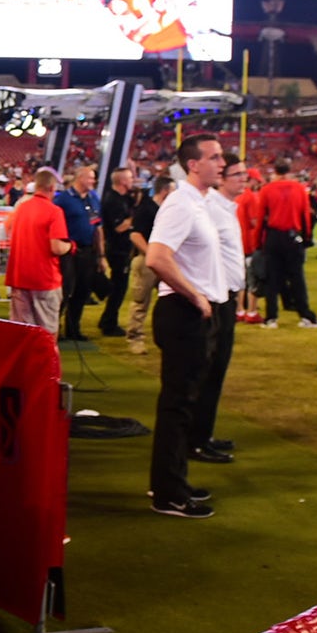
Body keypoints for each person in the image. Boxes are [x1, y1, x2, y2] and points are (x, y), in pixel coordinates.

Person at [145, 133, 227, 518]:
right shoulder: (181, 203)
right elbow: (157, 257)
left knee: (184, 404)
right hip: (184, 313)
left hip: (192, 312)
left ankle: (171, 481)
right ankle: (169, 494)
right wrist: (195, 296)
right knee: (178, 406)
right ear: (194, 164)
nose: (222, 163)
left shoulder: (199, 202)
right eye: (215, 157)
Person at [187, 153, 248, 464]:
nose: (243, 179)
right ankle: (195, 440)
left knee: (216, 370)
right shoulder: (209, 207)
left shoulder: (225, 207)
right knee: (207, 370)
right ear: (221, 179)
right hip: (213, 298)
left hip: (226, 297)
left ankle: (203, 434)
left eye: (244, 174)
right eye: (237, 174)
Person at [6, 167, 73, 335]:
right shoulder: (54, 212)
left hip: (19, 276)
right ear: (52, 188)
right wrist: (71, 246)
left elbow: (8, 230)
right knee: (46, 334)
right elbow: (57, 247)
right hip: (44, 279)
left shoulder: (21, 208)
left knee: (21, 334)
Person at [259, 160, 317, 329]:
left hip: (273, 237)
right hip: (292, 236)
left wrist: (259, 241)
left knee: (272, 279)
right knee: (297, 278)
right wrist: (307, 237)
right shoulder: (299, 188)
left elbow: (260, 217)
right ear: (289, 171)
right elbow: (305, 215)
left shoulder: (267, 189)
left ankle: (271, 318)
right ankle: (306, 316)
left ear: (275, 172)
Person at [54, 166, 105, 341]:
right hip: (69, 252)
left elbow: (97, 228)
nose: (93, 181)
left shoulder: (93, 198)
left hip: (88, 251)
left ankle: (73, 328)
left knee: (82, 290)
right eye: (90, 178)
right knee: (65, 290)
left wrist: (101, 255)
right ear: (80, 178)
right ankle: (54, 328)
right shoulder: (63, 199)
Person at [126, 175, 174, 355]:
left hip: (165, 261)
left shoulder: (166, 209)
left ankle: (166, 337)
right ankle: (135, 338)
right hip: (146, 261)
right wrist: (151, 253)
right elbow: (135, 235)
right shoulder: (146, 208)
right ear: (165, 191)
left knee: (170, 300)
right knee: (140, 301)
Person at [98, 166, 137, 336]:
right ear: (122, 181)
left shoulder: (123, 198)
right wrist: (135, 217)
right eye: (130, 178)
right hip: (117, 249)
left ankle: (107, 319)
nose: (132, 181)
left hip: (121, 248)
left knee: (119, 287)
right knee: (118, 288)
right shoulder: (113, 200)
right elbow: (119, 227)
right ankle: (109, 323)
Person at [236, 167, 266, 324]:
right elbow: (255, 221)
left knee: (239, 279)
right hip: (249, 243)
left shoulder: (237, 195)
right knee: (253, 278)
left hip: (237, 242)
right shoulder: (250, 196)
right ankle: (251, 311)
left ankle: (239, 309)